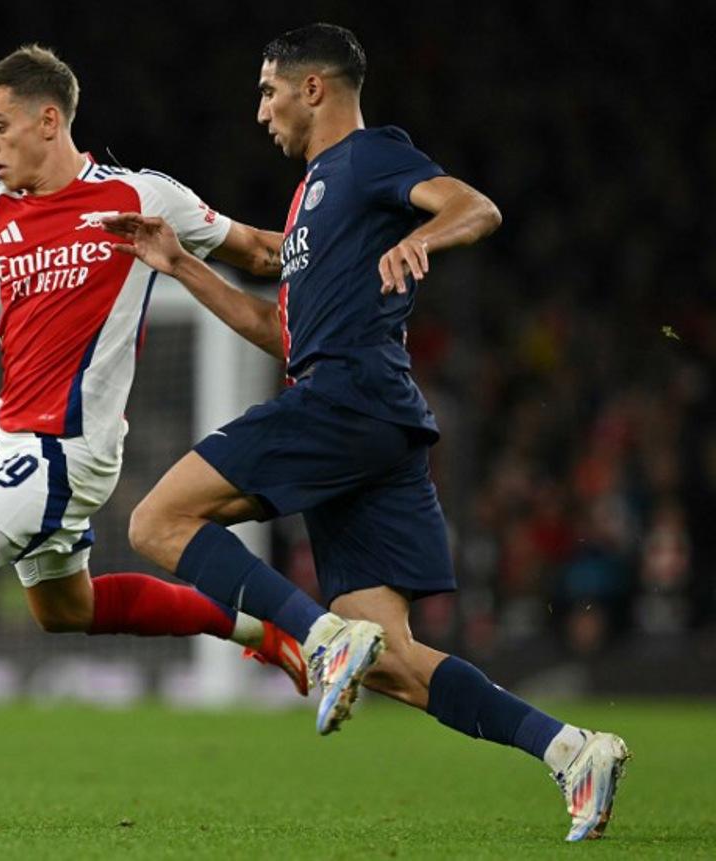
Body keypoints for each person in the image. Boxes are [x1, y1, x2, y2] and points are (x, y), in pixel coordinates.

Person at [0, 44, 383, 800]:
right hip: (21, 444)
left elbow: (260, 249)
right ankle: (264, 630)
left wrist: (355, 258)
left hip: (69, 448)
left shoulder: (138, 196)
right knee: (64, 609)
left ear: (48, 120)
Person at [103, 23, 629, 843]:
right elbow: (282, 335)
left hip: (345, 399)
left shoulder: (368, 157)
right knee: (392, 660)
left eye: (269, 90)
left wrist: (422, 237)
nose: (260, 111)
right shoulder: (315, 198)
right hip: (370, 421)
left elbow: (474, 206)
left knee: (155, 521)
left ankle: (317, 636)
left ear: (314, 88)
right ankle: (571, 749)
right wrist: (182, 265)